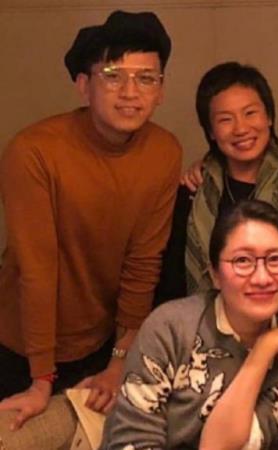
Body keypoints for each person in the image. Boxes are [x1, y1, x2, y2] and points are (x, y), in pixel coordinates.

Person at [0, 10, 181, 430]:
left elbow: (143, 264)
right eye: (113, 76)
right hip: (21, 347)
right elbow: (37, 270)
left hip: (101, 345)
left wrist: (120, 359)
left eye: (146, 78)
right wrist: (41, 379)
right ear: (84, 85)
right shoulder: (33, 151)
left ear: (160, 90)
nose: (130, 92)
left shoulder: (164, 152)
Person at [100, 200, 278, 449]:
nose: (262, 278)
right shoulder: (171, 329)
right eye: (242, 260)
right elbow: (131, 443)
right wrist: (265, 348)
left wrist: (264, 350)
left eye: (275, 259)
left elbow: (228, 446)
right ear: (215, 274)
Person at [156, 61, 278, 354]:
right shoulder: (193, 192)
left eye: (250, 113)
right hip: (198, 351)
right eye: (225, 119)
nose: (241, 128)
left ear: (269, 117)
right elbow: (171, 282)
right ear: (210, 131)